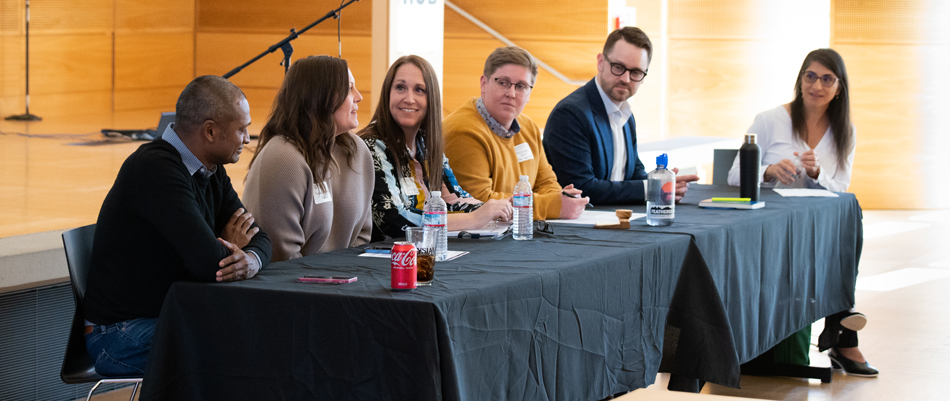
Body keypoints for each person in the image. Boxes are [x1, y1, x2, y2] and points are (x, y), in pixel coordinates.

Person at [83, 75, 271, 376]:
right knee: (241, 349)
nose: (248, 139)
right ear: (210, 131)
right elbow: (209, 264)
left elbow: (260, 238)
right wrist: (220, 245)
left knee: (265, 332)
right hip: (119, 334)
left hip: (169, 315)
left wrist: (250, 259)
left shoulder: (210, 168)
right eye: (242, 130)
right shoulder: (156, 169)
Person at [728, 48, 875, 377]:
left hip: (817, 223)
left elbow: (841, 189)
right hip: (774, 220)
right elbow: (734, 175)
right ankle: (843, 329)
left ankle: (840, 318)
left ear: (839, 88)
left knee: (852, 214)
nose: (817, 85)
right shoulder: (769, 120)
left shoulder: (844, 131)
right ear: (800, 79)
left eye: (827, 79)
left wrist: (818, 172)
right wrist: (767, 170)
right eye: (810, 76)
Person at [358, 55, 512, 241]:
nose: (409, 98)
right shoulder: (372, 146)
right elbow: (395, 221)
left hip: (425, 253)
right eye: (400, 88)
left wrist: (495, 208)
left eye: (419, 90)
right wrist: (474, 218)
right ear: (387, 94)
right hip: (384, 260)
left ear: (431, 98)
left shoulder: (426, 144)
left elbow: (454, 199)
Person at [544, 27, 698, 205]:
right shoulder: (570, 114)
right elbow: (582, 188)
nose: (626, 79)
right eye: (618, 67)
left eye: (636, 72)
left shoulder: (625, 112)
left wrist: (661, 184)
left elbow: (632, 170)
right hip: (582, 226)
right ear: (600, 62)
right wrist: (650, 189)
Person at [243, 55, 373, 261]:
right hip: (294, 287)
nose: (359, 96)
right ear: (320, 97)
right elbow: (281, 256)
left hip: (344, 280)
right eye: (349, 88)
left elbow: (362, 237)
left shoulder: (357, 151)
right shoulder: (283, 158)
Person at [443, 46, 588, 220]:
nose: (511, 93)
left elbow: (547, 184)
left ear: (529, 93)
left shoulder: (529, 127)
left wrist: (556, 199)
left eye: (521, 86)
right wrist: (553, 205)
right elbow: (478, 203)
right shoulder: (463, 132)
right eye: (503, 82)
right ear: (484, 83)